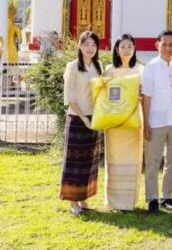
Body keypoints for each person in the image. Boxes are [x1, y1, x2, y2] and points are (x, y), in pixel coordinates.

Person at [60, 30, 103, 215]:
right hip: (77, 119)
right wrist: (85, 119)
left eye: (93, 45)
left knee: (89, 161)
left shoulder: (98, 65)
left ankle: (83, 197)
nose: (90, 48)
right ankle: (73, 202)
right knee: (74, 162)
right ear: (80, 45)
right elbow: (70, 98)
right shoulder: (72, 67)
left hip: (94, 119)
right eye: (86, 44)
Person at [141, 30, 172, 214]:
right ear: (157, 45)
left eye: (170, 44)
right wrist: (146, 123)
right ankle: (152, 199)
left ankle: (167, 197)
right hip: (156, 121)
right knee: (152, 162)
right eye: (164, 44)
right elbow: (146, 97)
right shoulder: (150, 67)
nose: (167, 47)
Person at [102, 34, 143, 212]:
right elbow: (104, 93)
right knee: (114, 157)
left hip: (134, 120)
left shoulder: (140, 70)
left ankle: (129, 202)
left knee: (133, 158)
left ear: (134, 49)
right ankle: (113, 200)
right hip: (115, 122)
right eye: (123, 46)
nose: (126, 50)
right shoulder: (109, 70)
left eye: (129, 46)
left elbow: (144, 93)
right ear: (117, 50)